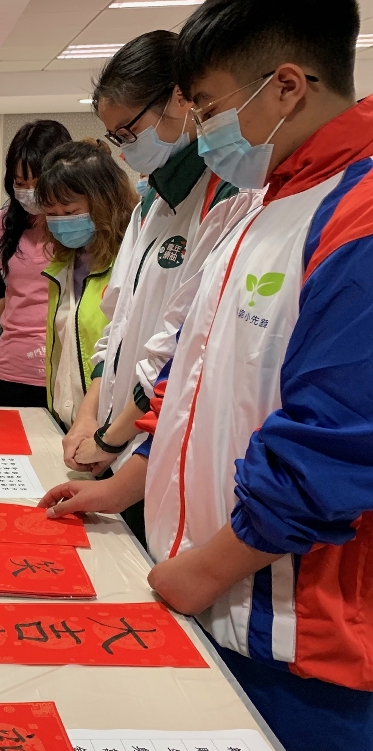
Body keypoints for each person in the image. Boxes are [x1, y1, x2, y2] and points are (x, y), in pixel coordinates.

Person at [40, 0, 373, 751]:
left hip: (293, 633)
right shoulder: (256, 204)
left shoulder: (357, 215)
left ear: (286, 86)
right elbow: (189, 380)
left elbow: (334, 445)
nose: (202, 128)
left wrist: (203, 568)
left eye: (212, 106)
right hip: (206, 591)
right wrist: (126, 484)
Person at [59, 30, 262, 543]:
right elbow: (118, 325)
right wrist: (88, 416)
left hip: (155, 451)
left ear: (180, 98)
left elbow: (178, 352)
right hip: (116, 444)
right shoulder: (150, 205)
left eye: (129, 132)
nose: (125, 149)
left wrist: (111, 437)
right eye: (116, 138)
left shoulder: (231, 197)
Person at [36, 139, 138, 430]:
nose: (60, 222)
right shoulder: (63, 265)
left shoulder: (129, 263)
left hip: (113, 427)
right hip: (67, 422)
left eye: (69, 212)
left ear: (104, 202)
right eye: (51, 213)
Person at [0, 120, 72, 408]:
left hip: (67, 370)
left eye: (38, 182)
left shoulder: (78, 225)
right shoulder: (6, 221)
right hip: (12, 367)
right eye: (20, 183)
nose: (30, 192)